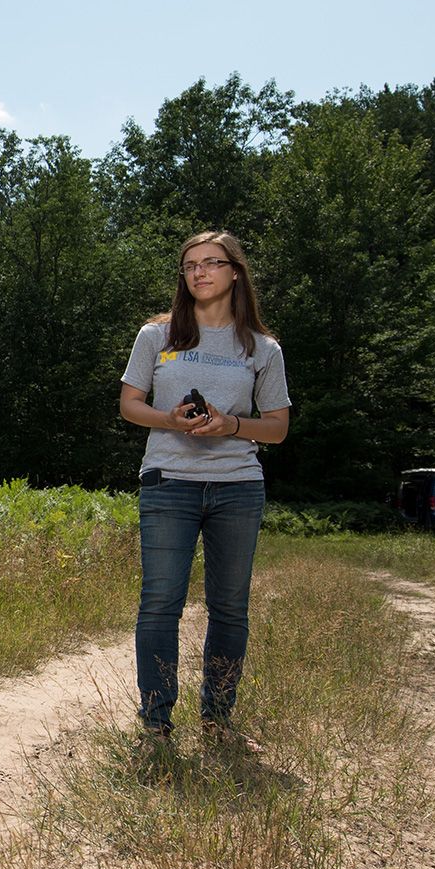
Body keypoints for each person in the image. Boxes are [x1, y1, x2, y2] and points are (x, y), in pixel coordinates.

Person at [116, 230, 291, 750]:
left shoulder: (262, 348)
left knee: (230, 608)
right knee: (159, 604)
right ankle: (156, 726)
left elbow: (277, 427)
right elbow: (130, 405)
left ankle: (217, 720)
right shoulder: (157, 336)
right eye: (190, 265)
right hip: (169, 483)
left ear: (235, 272)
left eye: (211, 263)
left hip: (238, 487)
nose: (199, 272)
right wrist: (170, 419)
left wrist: (232, 426)